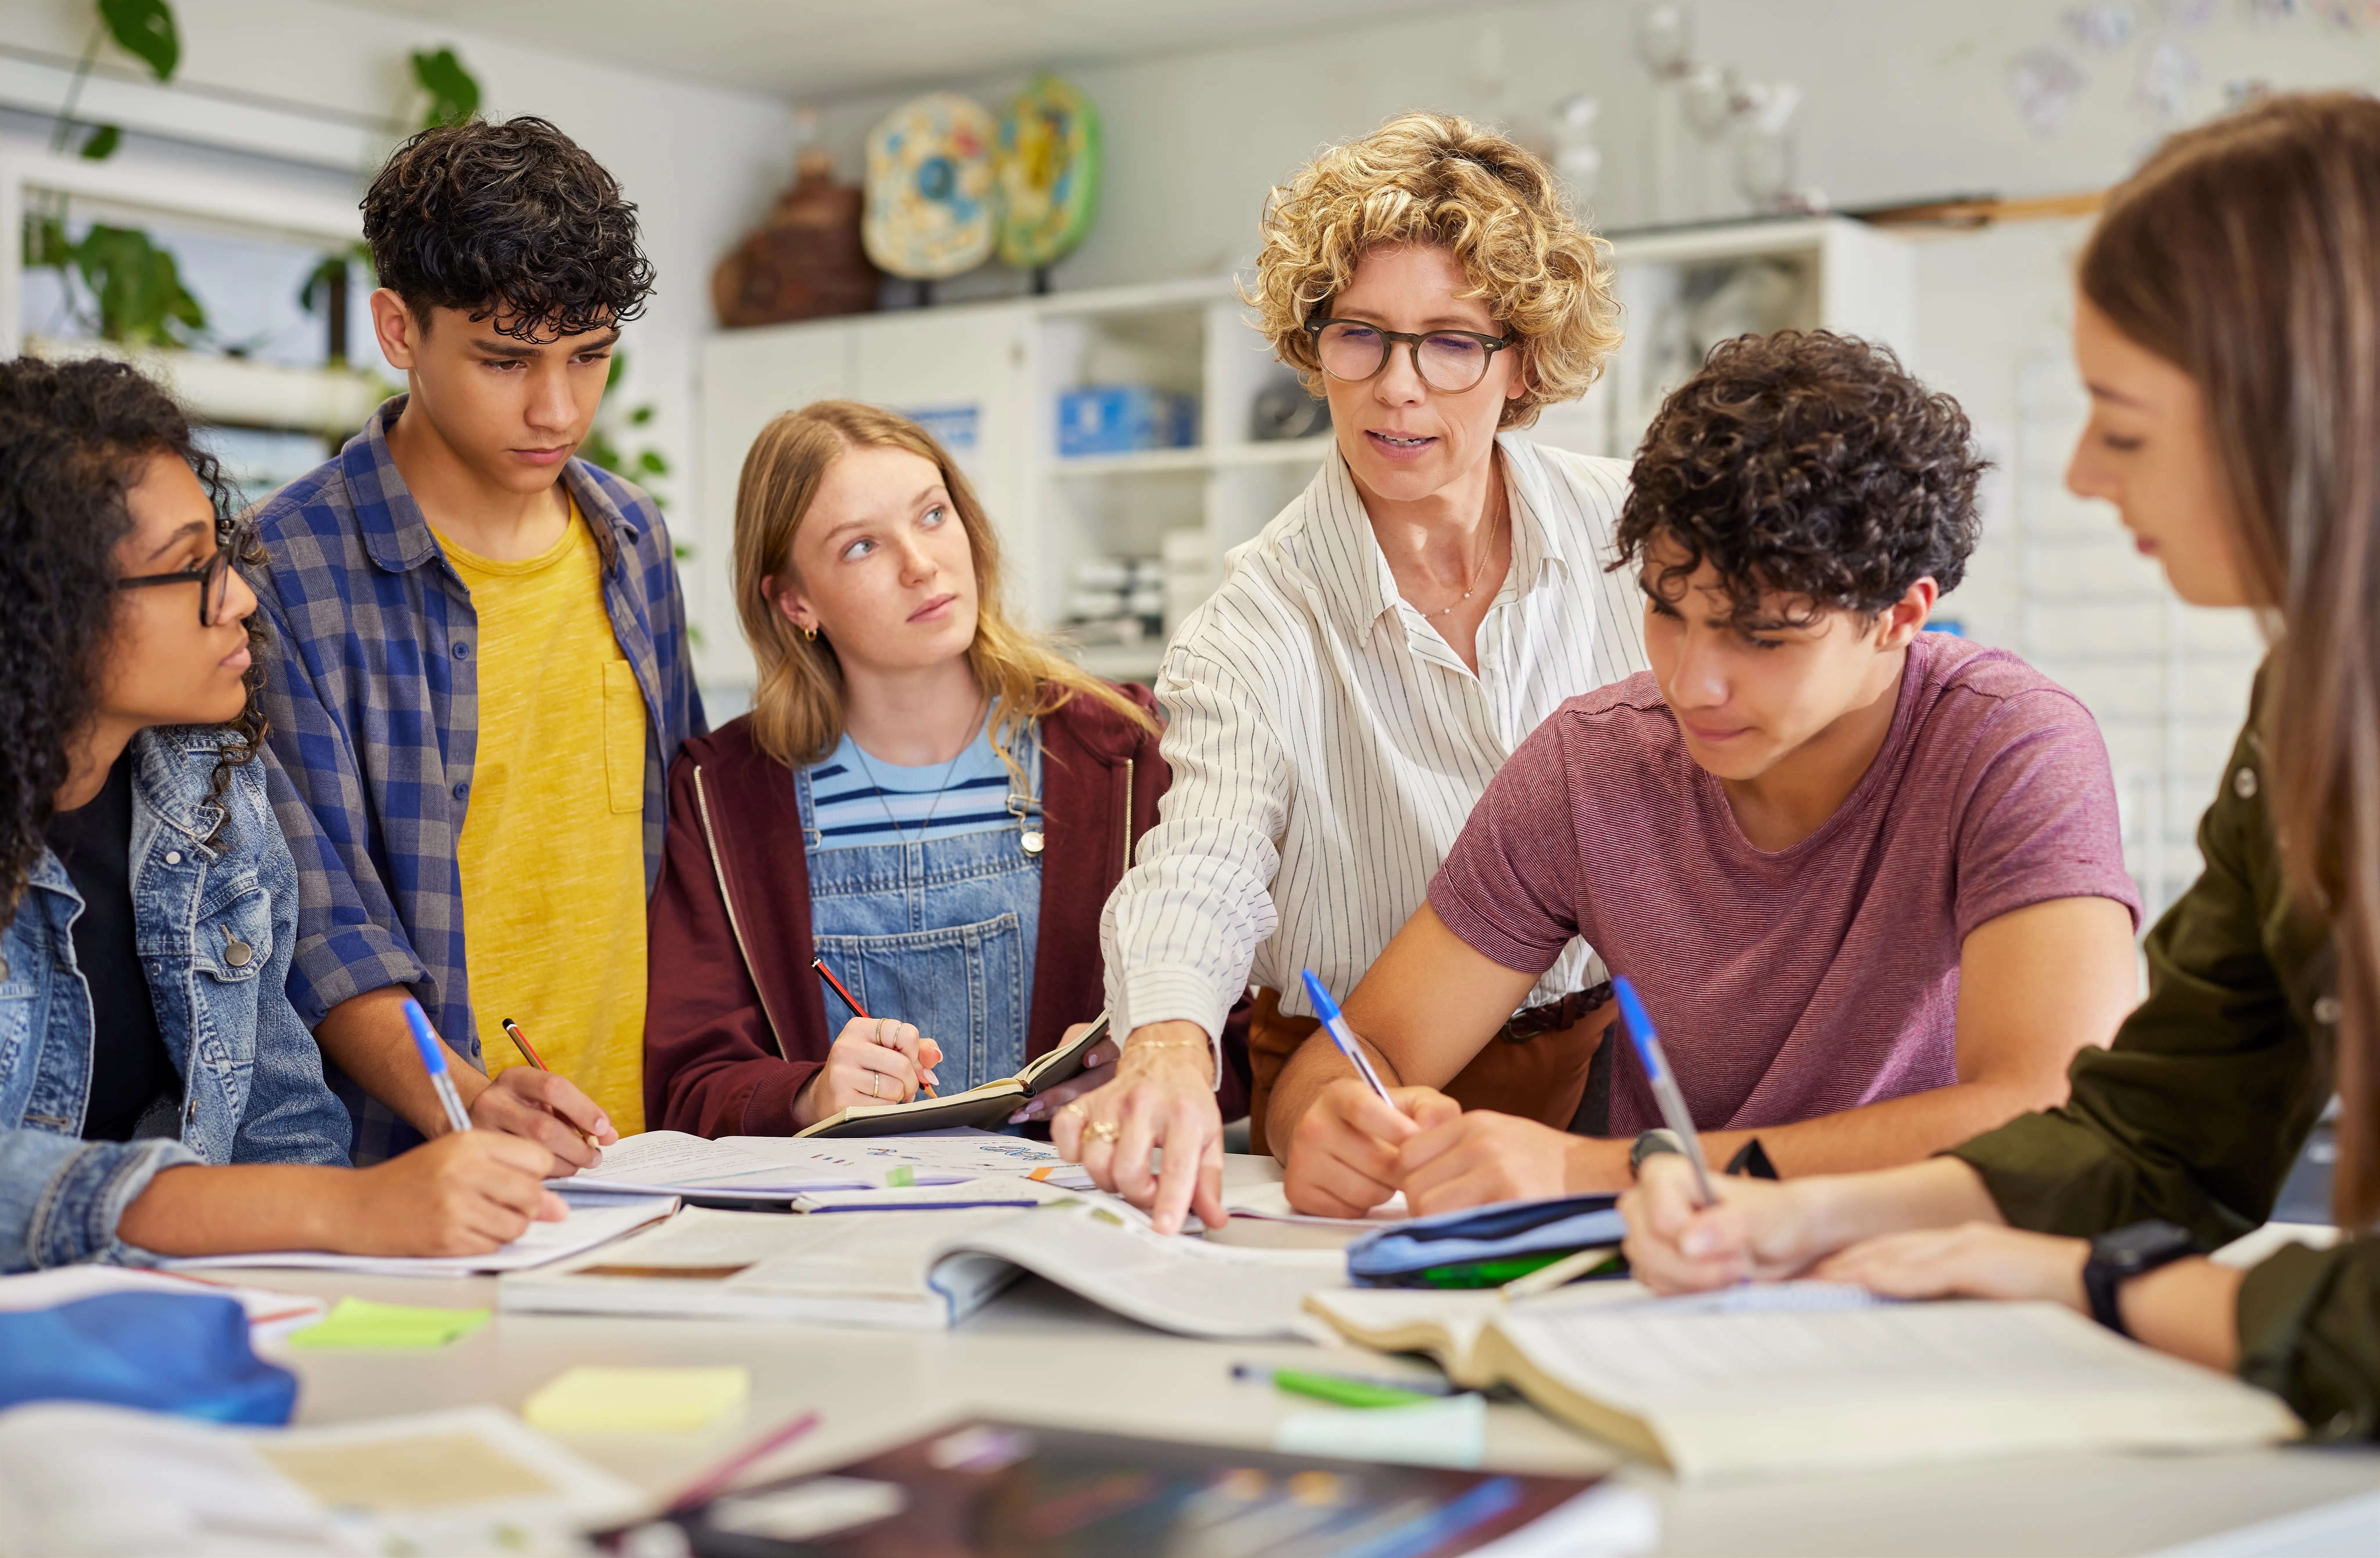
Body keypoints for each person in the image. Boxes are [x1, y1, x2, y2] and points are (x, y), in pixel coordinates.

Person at [1620, 93, 2380, 1437]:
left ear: (2306, 423)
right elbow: (2158, 1130)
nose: (2085, 474)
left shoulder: (2019, 737)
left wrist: (2099, 1287)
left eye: (2126, 426)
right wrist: (1799, 1218)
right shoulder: (2306, 712)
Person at [1270, 330, 2144, 1217]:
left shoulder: (2010, 748)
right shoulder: (1591, 767)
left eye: (1761, 636)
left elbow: (2048, 1115)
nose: (1693, 682)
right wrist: (1332, 1119)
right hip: (1653, 1285)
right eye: (1666, 609)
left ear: (1900, 615)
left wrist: (1595, 1173)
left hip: (1916, 1275)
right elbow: (1365, 1049)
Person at [1057, 112, 1649, 1233]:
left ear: (1520, 358)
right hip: (1358, 1092)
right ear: (1311, 343)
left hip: (1616, 1066)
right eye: (1361, 335)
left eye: (1451, 341)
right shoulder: (1255, 622)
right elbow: (1203, 863)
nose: (1397, 387)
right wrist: (1173, 1043)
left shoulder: (1636, 539)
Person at [0, 357, 563, 1269]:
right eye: (188, 570)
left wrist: (339, 1282)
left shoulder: (210, 783)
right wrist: (334, 1211)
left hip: (185, 1334)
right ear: (45, 610)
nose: (240, 597)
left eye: (219, 554)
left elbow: (281, 1117)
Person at [247, 117, 702, 1169]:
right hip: (429, 1158)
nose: (558, 408)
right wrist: (470, 1107)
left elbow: (683, 842)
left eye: (589, 357)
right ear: (398, 330)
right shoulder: (285, 568)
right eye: (506, 359)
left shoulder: (631, 537)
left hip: (656, 1151)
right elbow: (320, 925)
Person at [645, 403, 1240, 1133]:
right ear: (795, 600)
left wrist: (1159, 1058)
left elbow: (1245, 1024)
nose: (922, 565)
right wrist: (810, 1095)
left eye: (932, 515)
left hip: (1075, 1214)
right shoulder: (723, 793)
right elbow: (687, 1084)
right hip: (842, 1227)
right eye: (862, 546)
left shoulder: (1122, 749)